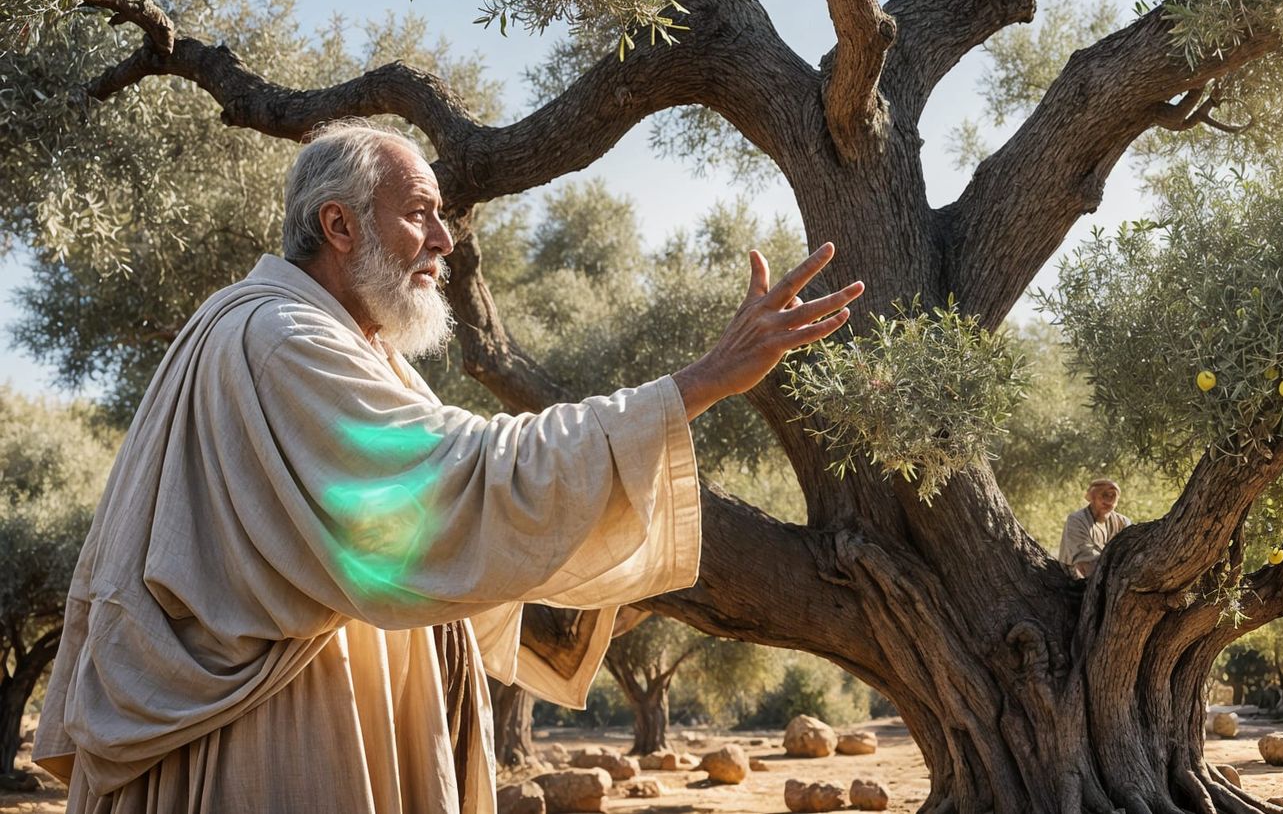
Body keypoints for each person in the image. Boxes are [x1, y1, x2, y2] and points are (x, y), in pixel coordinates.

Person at [33, 119, 863, 814]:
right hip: (282, 732)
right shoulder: (282, 339)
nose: (445, 242)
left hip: (334, 713)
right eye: (421, 214)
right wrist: (696, 384)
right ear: (339, 225)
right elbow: (458, 474)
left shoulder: (336, 342)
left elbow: (426, 500)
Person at [1057, 478, 1130, 580]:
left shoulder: (1122, 522)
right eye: (1104, 495)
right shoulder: (1076, 520)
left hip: (1111, 578)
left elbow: (1129, 553)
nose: (1108, 500)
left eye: (1113, 495)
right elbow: (1084, 560)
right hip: (1073, 580)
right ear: (1092, 497)